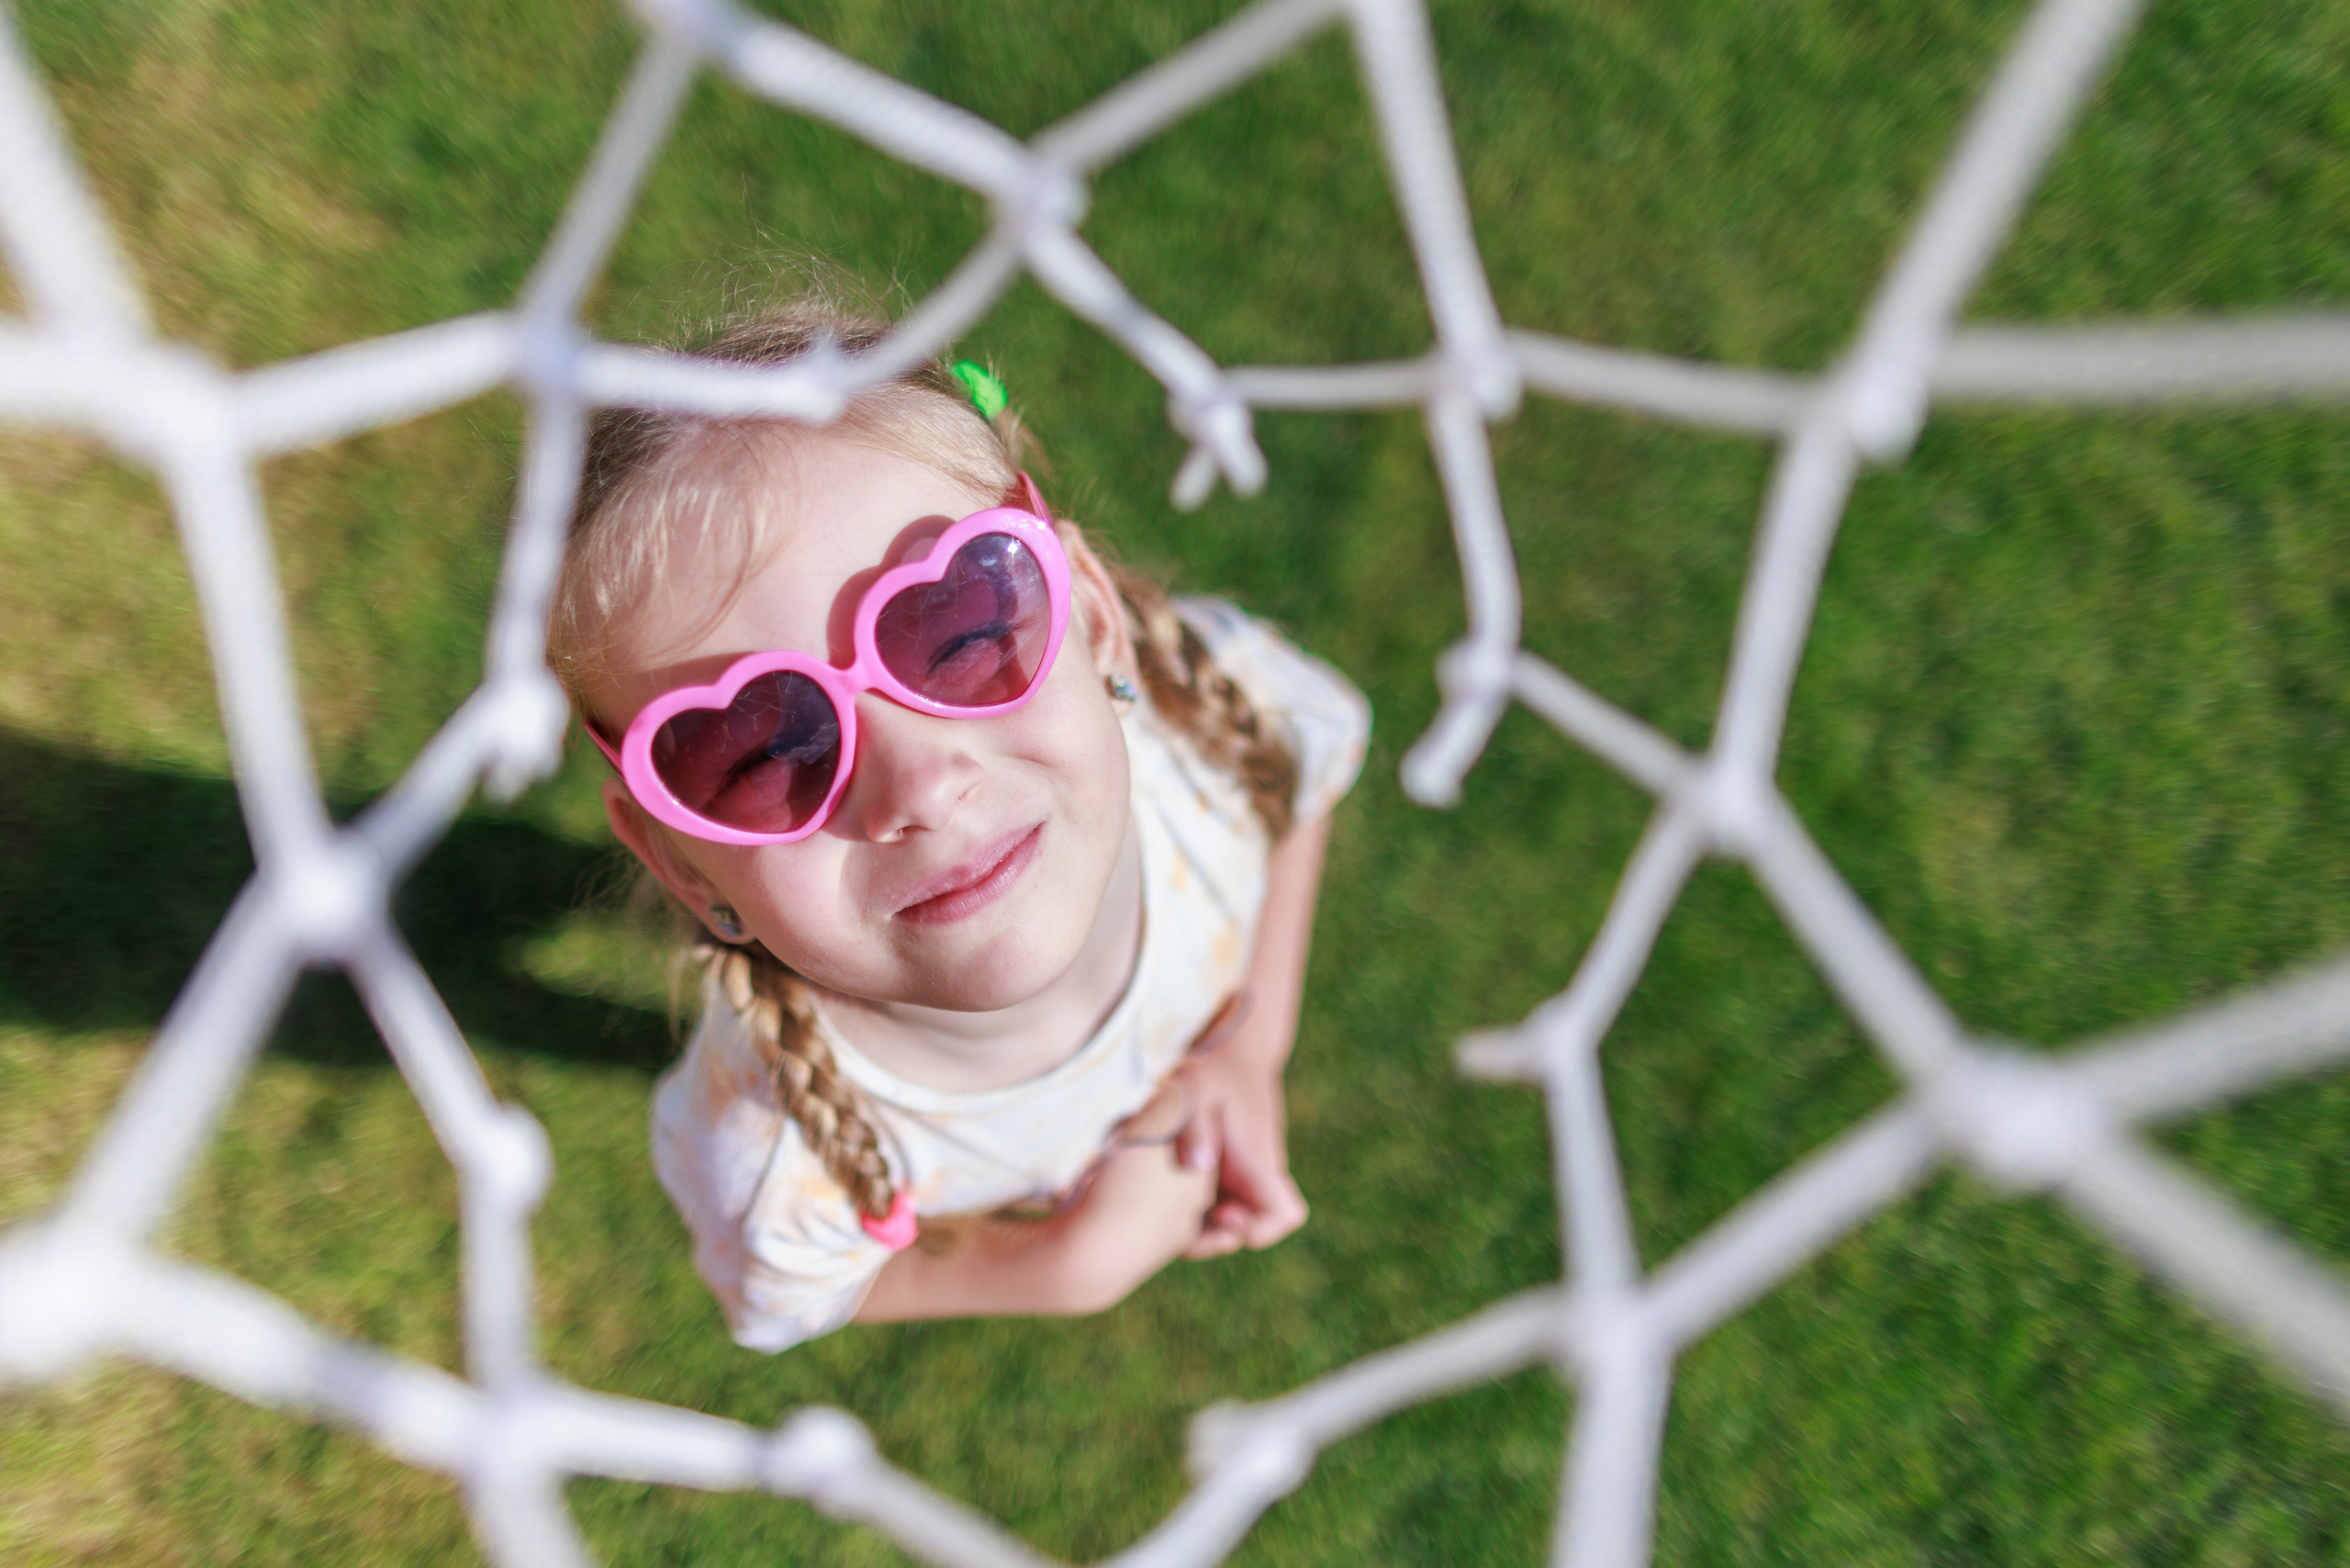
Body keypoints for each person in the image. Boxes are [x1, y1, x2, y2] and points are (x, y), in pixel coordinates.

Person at [548, 297, 1369, 1351]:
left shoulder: (1217, 724)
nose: (920, 786)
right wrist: (1061, 1267)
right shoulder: (771, 1154)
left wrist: (1254, 1047)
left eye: (956, 631)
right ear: (674, 856)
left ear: (1093, 616)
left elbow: (1304, 777)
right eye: (757, 752)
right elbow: (792, 1295)